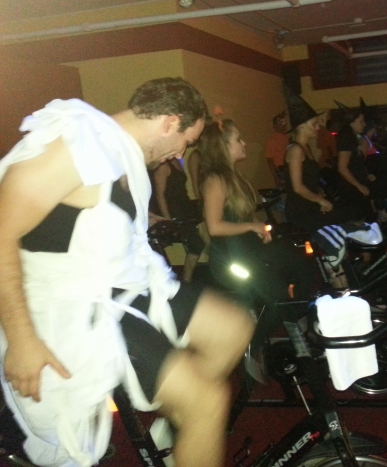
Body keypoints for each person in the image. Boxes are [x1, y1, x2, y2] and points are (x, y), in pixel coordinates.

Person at [0, 77, 254, 467]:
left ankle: (181, 426)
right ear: (170, 123)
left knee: (234, 327)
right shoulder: (74, 149)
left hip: (118, 285)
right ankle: (194, 413)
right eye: (185, 141)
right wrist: (21, 339)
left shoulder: (118, 153)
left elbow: (85, 219)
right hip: (69, 306)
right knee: (209, 400)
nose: (179, 154)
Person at [199, 121, 315, 305]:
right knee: (277, 294)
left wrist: (261, 229)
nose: (244, 143)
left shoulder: (234, 177)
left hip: (248, 248)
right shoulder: (215, 180)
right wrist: (252, 226)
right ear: (224, 146)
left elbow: (245, 213)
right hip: (232, 255)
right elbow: (214, 227)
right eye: (238, 140)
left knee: (296, 261)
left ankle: (306, 309)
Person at [283, 85, 363, 233]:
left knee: (351, 214)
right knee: (347, 221)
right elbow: (297, 187)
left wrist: (320, 196)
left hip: (311, 205)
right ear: (301, 127)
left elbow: (309, 180)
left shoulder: (306, 148)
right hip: (301, 210)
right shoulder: (295, 150)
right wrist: (320, 200)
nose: (318, 127)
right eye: (314, 124)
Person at [152, 158, 206, 282]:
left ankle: (187, 279)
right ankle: (186, 280)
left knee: (197, 244)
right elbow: (160, 195)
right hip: (175, 212)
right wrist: (168, 220)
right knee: (196, 244)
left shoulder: (176, 161)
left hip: (184, 208)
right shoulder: (163, 166)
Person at [264, 112, 289, 187]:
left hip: (288, 167)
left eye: (283, 122)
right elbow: (269, 160)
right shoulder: (272, 140)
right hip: (280, 169)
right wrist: (276, 177)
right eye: (280, 123)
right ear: (274, 125)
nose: (283, 125)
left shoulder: (286, 137)